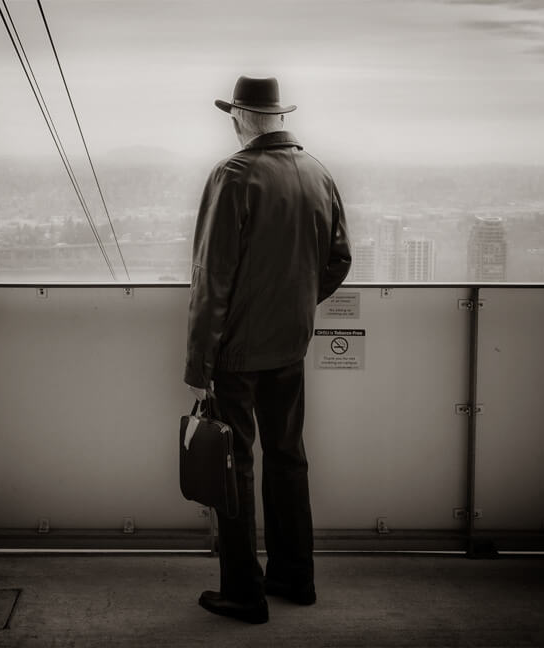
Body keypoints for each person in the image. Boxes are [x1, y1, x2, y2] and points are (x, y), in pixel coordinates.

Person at [184, 75, 352, 624]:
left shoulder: (233, 175)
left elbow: (213, 277)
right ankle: (294, 577)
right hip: (289, 347)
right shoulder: (317, 172)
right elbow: (338, 260)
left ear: (239, 119)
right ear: (278, 117)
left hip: (236, 353)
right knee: (288, 458)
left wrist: (199, 362)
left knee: (235, 467)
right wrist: (297, 307)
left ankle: (244, 593)